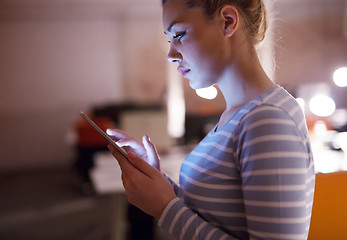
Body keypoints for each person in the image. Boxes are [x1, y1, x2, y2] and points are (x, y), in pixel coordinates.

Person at [107, 0, 315, 239]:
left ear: (228, 21)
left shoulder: (268, 119)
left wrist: (165, 208)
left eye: (180, 34)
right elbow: (214, 215)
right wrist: (158, 183)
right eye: (169, 39)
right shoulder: (239, 115)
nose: (171, 55)